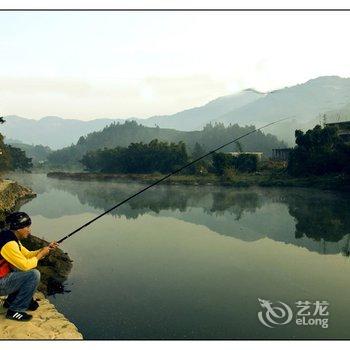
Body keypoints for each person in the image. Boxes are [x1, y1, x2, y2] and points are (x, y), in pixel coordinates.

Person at [0, 212, 58, 321]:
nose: (29, 230)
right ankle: (15, 311)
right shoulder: (9, 244)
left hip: (2, 278)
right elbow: (25, 265)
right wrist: (41, 255)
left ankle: (11, 301)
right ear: (18, 228)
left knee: (19, 268)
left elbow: (27, 254)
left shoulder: (10, 236)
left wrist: (45, 249)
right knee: (33, 274)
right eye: (27, 227)